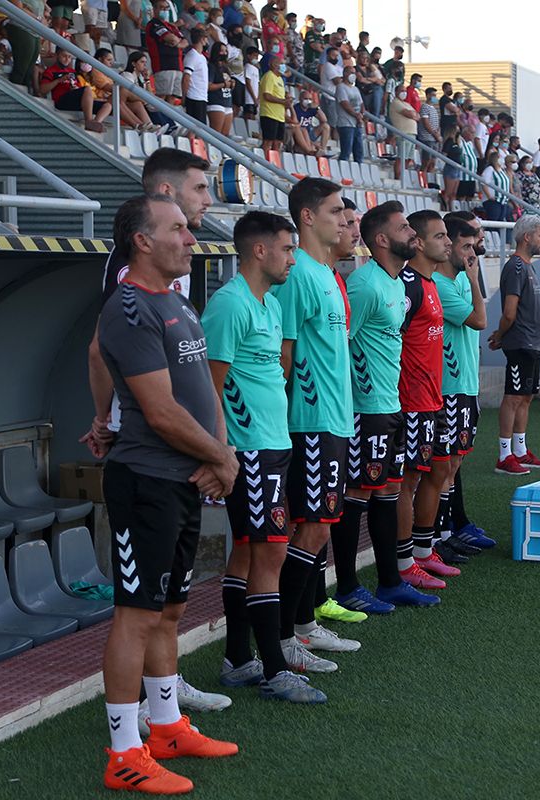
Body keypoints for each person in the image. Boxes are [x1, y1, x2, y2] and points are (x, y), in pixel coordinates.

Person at [97, 195, 240, 794]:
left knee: (171, 609)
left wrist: (218, 456)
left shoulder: (177, 300)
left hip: (184, 478)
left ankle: (165, 726)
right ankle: (124, 752)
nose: (192, 235)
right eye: (177, 228)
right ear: (142, 241)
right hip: (146, 482)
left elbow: (203, 394)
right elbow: (158, 411)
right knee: (136, 614)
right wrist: (222, 458)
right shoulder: (128, 308)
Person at [202, 211, 328, 704]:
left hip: (276, 445)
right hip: (250, 451)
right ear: (260, 251)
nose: (293, 258)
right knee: (270, 550)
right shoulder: (229, 305)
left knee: (251, 551)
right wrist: (222, 450)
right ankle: (275, 668)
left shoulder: (269, 304)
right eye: (287, 249)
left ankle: (237, 659)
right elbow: (208, 386)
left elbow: (271, 375)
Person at [333, 201, 439, 611]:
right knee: (359, 492)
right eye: (403, 229)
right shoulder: (364, 285)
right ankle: (346, 587)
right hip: (366, 407)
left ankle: (390, 580)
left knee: (389, 490)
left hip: (391, 403)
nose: (413, 234)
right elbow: (342, 346)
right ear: (381, 239)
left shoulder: (396, 284)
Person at [270, 178, 353, 680]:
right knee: (311, 526)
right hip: (311, 423)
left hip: (336, 420)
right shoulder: (299, 273)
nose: (344, 219)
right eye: (335, 210)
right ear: (307, 217)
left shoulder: (325, 272)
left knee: (320, 526)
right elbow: (284, 354)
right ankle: (283, 639)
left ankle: (302, 623)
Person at [394, 210, 458, 592]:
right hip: (411, 400)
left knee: (436, 471)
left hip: (433, 398)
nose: (447, 242)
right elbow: (391, 341)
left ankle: (423, 550)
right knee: (408, 481)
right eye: (440, 236)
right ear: (418, 242)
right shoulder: (408, 285)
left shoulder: (429, 283)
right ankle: (404, 563)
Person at [432, 216, 496, 551]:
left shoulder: (454, 281)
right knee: (443, 466)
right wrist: (474, 280)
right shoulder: (443, 285)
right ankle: (436, 536)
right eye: (466, 246)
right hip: (450, 387)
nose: (472, 254)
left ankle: (449, 528)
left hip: (465, 384)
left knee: (454, 462)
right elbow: (480, 320)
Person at [490, 215, 540, 475]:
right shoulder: (515, 267)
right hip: (520, 342)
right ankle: (504, 456)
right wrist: (501, 335)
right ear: (527, 237)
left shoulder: (528, 267)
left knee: (525, 397)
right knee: (514, 397)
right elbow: (509, 312)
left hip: (532, 343)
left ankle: (521, 451)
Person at [40, 47, 111, 133]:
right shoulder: (50, 71)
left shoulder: (72, 72)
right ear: (57, 55)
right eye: (64, 56)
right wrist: (59, 80)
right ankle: (88, 121)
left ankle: (96, 122)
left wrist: (75, 88)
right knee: (87, 89)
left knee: (108, 105)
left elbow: (78, 87)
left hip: (76, 100)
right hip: (61, 101)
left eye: (69, 57)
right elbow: (43, 90)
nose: (67, 59)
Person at [145, 0, 185, 104]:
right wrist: (176, 42)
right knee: (161, 97)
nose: (165, 10)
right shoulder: (153, 24)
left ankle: (167, 119)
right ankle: (158, 118)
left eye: (166, 8)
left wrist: (177, 43)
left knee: (173, 97)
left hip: (178, 66)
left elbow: (185, 42)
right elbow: (172, 39)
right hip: (163, 66)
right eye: (162, 8)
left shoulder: (171, 26)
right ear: (155, 9)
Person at [334, 65, 365, 163]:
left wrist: (361, 115)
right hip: (345, 123)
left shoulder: (355, 89)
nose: (354, 75)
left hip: (357, 124)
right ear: (345, 74)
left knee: (359, 151)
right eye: (351, 73)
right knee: (346, 151)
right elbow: (344, 104)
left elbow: (361, 104)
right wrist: (356, 115)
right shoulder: (340, 87)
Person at [387, 84, 419, 181]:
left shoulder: (407, 104)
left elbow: (417, 116)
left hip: (412, 133)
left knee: (408, 158)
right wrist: (412, 114)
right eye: (401, 91)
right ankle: (398, 178)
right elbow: (408, 113)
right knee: (401, 157)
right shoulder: (396, 103)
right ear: (396, 92)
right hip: (403, 133)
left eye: (405, 91)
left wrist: (413, 115)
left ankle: (402, 176)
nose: (404, 93)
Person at [258, 56, 287, 153]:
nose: (284, 66)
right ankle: (264, 163)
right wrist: (283, 101)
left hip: (279, 116)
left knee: (278, 143)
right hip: (269, 114)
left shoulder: (280, 79)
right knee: (268, 142)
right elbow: (267, 95)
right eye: (282, 64)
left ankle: (274, 163)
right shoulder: (269, 76)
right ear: (275, 64)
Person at [206, 42, 235, 136]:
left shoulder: (226, 68)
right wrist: (223, 84)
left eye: (226, 51)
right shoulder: (211, 67)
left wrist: (231, 84)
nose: (225, 53)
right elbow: (208, 86)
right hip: (216, 102)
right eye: (222, 51)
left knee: (225, 135)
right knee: (216, 133)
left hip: (227, 102)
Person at [441, 124, 463, 210]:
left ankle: (452, 209)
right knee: (448, 192)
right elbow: (444, 154)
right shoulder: (449, 141)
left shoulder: (456, 142)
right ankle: (444, 208)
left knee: (454, 193)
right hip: (451, 168)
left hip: (457, 168)